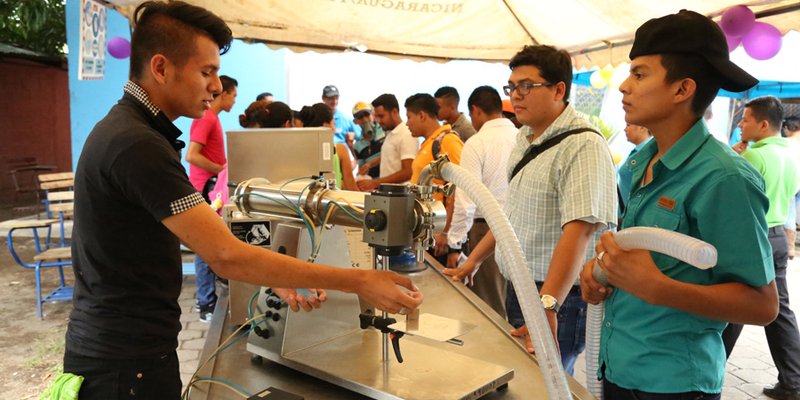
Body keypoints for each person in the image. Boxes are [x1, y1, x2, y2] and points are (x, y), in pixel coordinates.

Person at [63, 2, 422, 398]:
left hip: (124, 353)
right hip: (123, 368)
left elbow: (200, 244)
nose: (216, 87)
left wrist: (275, 276)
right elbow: (226, 254)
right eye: (207, 72)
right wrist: (360, 281)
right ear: (161, 68)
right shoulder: (136, 143)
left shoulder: (132, 131)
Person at [579, 10, 778, 400]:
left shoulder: (725, 178)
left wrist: (659, 289)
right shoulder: (638, 163)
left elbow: (763, 305)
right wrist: (601, 271)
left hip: (674, 385)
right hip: (619, 366)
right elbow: (639, 251)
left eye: (639, 74)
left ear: (682, 89)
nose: (623, 86)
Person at [462, 45, 617, 375]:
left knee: (550, 381)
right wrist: (473, 260)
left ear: (559, 90)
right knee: (527, 377)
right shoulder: (524, 139)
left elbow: (581, 231)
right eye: (512, 87)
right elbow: (511, 213)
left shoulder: (583, 145)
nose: (516, 96)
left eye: (527, 86)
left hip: (562, 299)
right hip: (522, 288)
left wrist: (548, 305)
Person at [724, 96, 800, 400]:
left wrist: (733, 158)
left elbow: (730, 197)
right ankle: (793, 381)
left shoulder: (754, 157)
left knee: (732, 306)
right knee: (778, 311)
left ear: (763, 124)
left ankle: (707, 371)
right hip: (778, 236)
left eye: (746, 119)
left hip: (752, 238)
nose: (741, 124)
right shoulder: (791, 155)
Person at [441, 86, 517, 317]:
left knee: (489, 306)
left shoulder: (477, 142)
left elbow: (466, 198)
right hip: (521, 227)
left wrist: (455, 244)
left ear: (475, 110)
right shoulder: (522, 137)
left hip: (487, 229)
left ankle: (496, 352)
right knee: (516, 304)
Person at [186, 74, 237, 322]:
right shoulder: (206, 118)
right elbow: (192, 155)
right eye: (234, 95)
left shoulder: (212, 118)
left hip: (212, 187)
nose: (234, 101)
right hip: (204, 188)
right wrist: (221, 170)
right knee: (204, 247)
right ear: (223, 93)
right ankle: (205, 302)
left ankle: (208, 300)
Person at [405, 93, 464, 259]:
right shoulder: (429, 143)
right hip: (426, 229)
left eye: (409, 117)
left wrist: (446, 233)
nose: (407, 123)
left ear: (422, 115)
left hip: (439, 232)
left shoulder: (447, 141)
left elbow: (460, 189)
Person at [356, 94, 419, 192]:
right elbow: (393, 155)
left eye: (381, 116)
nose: (378, 121)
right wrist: (370, 164)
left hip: (400, 197)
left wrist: (375, 183)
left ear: (394, 112)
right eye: (376, 117)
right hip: (389, 195)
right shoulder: (391, 133)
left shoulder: (406, 134)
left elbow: (408, 172)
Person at [299, 103, 358, 191]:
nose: (334, 128)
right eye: (333, 124)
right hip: (332, 202)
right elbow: (351, 187)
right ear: (325, 125)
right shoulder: (340, 150)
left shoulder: (300, 151)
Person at [616, 123, 652, 212]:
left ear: (643, 127)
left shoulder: (646, 153)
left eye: (628, 125)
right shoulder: (636, 152)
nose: (625, 129)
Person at [351, 101, 385, 179]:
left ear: (373, 115)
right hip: (374, 184)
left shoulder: (384, 130)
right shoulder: (357, 145)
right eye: (360, 117)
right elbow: (362, 168)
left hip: (391, 179)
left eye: (367, 115)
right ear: (355, 121)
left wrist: (370, 164)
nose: (365, 119)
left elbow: (392, 154)